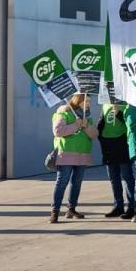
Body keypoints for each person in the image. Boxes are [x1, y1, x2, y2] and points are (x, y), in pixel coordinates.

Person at [49, 93, 98, 223]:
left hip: (82, 154)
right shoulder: (64, 113)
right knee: (62, 182)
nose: (88, 104)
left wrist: (86, 125)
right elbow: (58, 131)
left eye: (89, 101)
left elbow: (94, 134)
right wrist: (76, 125)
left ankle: (71, 209)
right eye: (85, 101)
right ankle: (55, 211)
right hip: (66, 154)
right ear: (78, 100)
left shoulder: (87, 117)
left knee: (76, 184)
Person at [97, 101, 135, 219]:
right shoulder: (105, 105)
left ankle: (132, 206)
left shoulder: (126, 104)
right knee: (114, 178)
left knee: (127, 177)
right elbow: (101, 123)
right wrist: (99, 136)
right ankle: (118, 205)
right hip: (108, 145)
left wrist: (118, 112)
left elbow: (129, 123)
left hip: (122, 143)